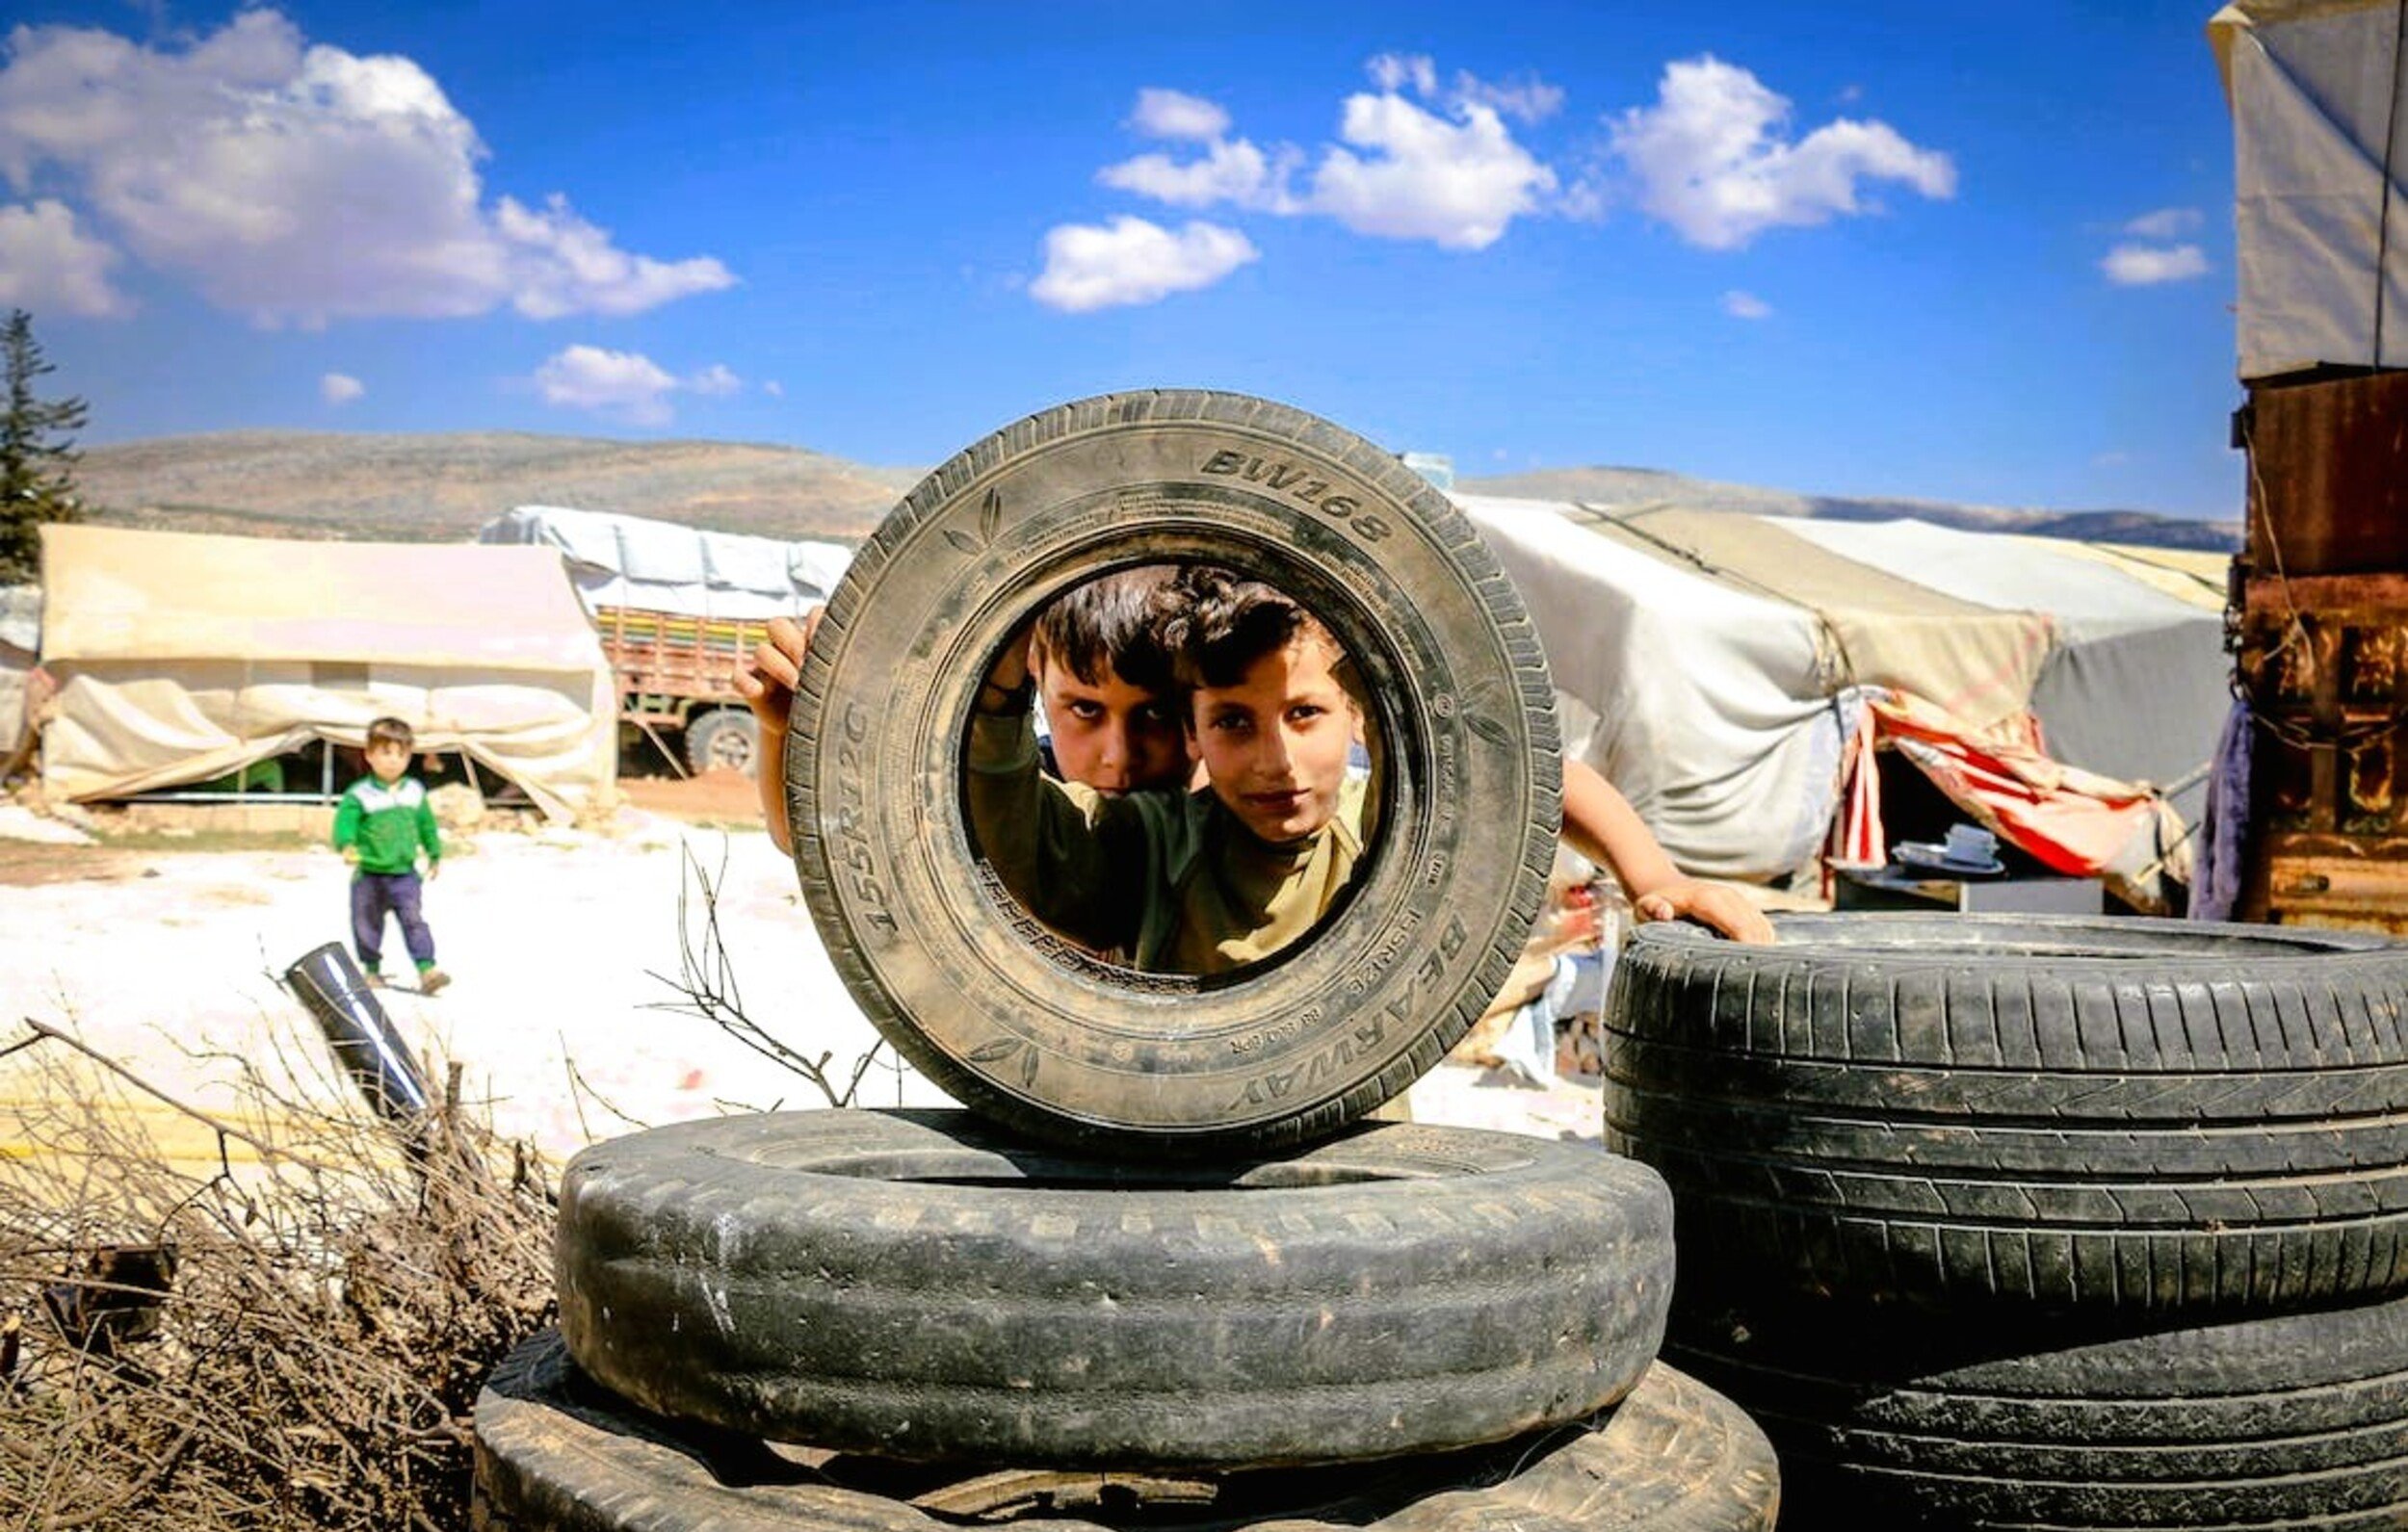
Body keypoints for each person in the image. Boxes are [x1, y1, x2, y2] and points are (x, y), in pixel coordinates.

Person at [737, 567, 1194, 851]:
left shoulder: (1221, 814)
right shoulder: (1006, 787)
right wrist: (791, 734)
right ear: (1034, 669)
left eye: (1157, 713)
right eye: (1086, 710)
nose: (1118, 756)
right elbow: (811, 838)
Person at [331, 716, 449, 994]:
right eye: (386, 752)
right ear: (369, 754)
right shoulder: (360, 794)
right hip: (369, 874)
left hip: (404, 874)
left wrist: (434, 853)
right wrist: (347, 845)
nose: (393, 760)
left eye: (401, 754)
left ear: (409, 756)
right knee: (366, 923)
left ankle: (427, 969)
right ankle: (372, 970)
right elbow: (344, 824)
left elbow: (427, 825)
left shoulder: (414, 791)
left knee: (413, 920)